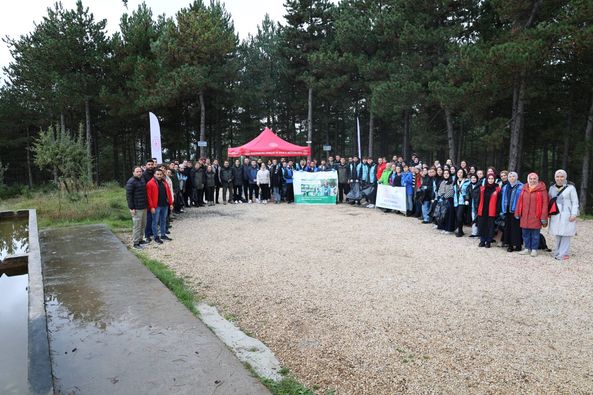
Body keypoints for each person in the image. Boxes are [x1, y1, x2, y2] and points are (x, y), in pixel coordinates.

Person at [515, 172, 549, 257]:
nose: (532, 180)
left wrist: (544, 216)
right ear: (528, 179)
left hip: (536, 216)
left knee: (535, 234)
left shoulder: (542, 189)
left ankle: (534, 249)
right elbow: (519, 201)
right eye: (531, 178)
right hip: (525, 215)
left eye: (534, 179)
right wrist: (517, 212)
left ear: (537, 179)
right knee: (525, 233)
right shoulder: (524, 188)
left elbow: (545, 203)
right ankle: (527, 248)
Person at [548, 169, 579, 260]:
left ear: (565, 177)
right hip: (556, 214)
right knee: (558, 233)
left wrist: (574, 213)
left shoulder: (571, 188)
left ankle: (563, 254)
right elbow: (550, 201)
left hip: (567, 213)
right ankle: (557, 251)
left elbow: (575, 202)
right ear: (555, 177)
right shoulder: (552, 188)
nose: (559, 178)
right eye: (557, 176)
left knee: (566, 234)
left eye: (561, 176)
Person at [146, 169, 173, 244]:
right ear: (154, 174)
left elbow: (169, 193)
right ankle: (156, 237)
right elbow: (149, 197)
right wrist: (151, 207)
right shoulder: (150, 183)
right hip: (156, 206)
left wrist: (170, 203)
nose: (159, 176)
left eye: (160, 174)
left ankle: (163, 235)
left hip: (165, 204)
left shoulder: (164, 182)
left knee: (163, 220)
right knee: (155, 221)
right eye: (157, 174)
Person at [501, 171, 523, 252]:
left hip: (516, 210)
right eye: (510, 177)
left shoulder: (521, 187)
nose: (511, 178)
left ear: (516, 177)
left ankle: (518, 245)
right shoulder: (505, 187)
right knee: (508, 228)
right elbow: (503, 198)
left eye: (513, 176)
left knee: (517, 228)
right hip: (507, 210)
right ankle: (510, 245)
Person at [477, 173, 501, 248]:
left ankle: (488, 241)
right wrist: (477, 208)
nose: (490, 180)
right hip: (483, 210)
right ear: (487, 179)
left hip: (492, 211)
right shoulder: (482, 188)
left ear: (494, 180)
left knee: (490, 227)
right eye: (489, 179)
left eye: (492, 179)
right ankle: (482, 240)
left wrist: (497, 211)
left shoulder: (497, 189)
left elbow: (499, 201)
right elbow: (478, 199)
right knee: (482, 225)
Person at [126, 166, 147, 249]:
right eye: (137, 171)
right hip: (136, 208)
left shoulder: (142, 179)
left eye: (140, 171)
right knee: (137, 226)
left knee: (143, 224)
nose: (139, 173)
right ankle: (136, 243)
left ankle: (141, 239)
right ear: (133, 172)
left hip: (144, 206)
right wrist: (131, 208)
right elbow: (129, 196)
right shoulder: (131, 182)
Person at [436, 169, 455, 234]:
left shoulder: (452, 182)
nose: (446, 175)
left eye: (447, 173)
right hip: (442, 200)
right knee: (443, 214)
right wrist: (440, 195)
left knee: (449, 215)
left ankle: (449, 229)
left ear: (449, 174)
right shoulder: (442, 182)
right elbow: (439, 190)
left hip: (449, 200)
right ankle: (444, 227)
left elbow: (451, 191)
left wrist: (444, 196)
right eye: (444, 173)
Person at [453, 168, 471, 237]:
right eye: (458, 172)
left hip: (463, 202)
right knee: (458, 217)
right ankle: (461, 230)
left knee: (459, 216)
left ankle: (459, 231)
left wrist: (467, 199)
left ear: (463, 173)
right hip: (456, 201)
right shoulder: (455, 181)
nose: (459, 174)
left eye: (461, 172)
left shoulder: (467, 182)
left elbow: (468, 192)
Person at [142, 159, 156, 240]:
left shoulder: (154, 173)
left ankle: (151, 232)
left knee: (154, 217)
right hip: (147, 199)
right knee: (148, 218)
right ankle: (147, 235)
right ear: (146, 166)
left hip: (155, 198)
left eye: (152, 164)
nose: (150, 166)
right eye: (149, 164)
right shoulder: (144, 175)